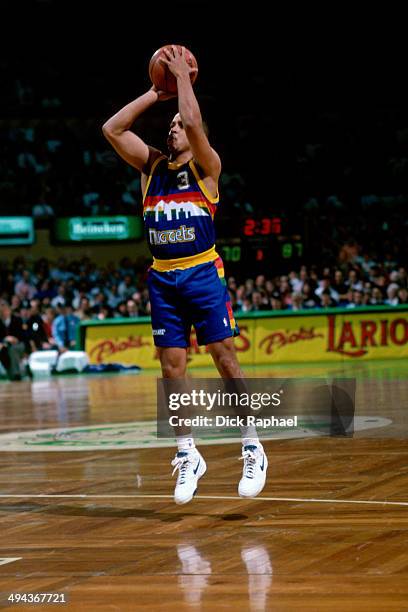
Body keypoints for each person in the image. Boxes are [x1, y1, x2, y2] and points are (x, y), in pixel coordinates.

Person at [102, 45, 267, 504]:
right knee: (172, 370)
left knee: (223, 357)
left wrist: (184, 83)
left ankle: (252, 443)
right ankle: (187, 453)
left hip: (201, 272)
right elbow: (112, 128)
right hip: (162, 278)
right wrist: (157, 93)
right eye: (169, 126)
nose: (173, 129)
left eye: (178, 125)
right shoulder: (151, 166)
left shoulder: (206, 169)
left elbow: (194, 122)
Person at [0, 300, 27, 381]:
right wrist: (3, 340)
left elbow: (23, 336)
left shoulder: (17, 319)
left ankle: (15, 374)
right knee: (3, 350)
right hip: (4, 345)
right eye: (1, 309)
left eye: (4, 308)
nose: (3, 311)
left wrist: (15, 339)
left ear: (9, 309)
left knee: (12, 350)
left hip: (19, 344)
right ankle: (9, 373)